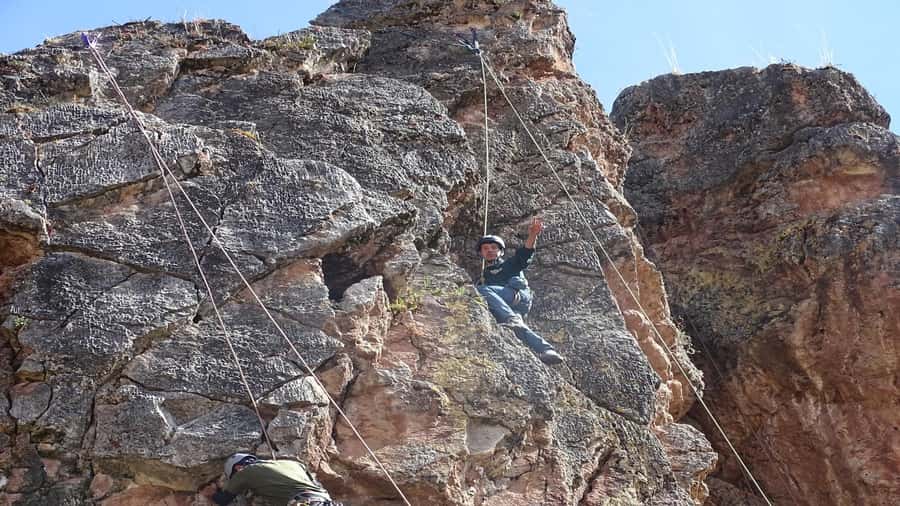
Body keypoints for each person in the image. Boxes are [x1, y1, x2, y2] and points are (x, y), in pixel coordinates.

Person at [475, 217, 564, 365]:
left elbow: (525, 254)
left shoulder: (510, 265)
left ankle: (512, 318)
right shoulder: (486, 275)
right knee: (518, 329)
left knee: (481, 290)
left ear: (501, 252)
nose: (490, 250)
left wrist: (533, 235)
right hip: (509, 304)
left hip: (516, 297)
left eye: (493, 247)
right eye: (485, 248)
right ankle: (547, 350)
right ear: (481, 254)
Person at [204, 453, 337, 506]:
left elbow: (223, 500)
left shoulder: (245, 471)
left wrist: (211, 492)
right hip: (325, 500)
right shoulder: (293, 464)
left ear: (238, 467)